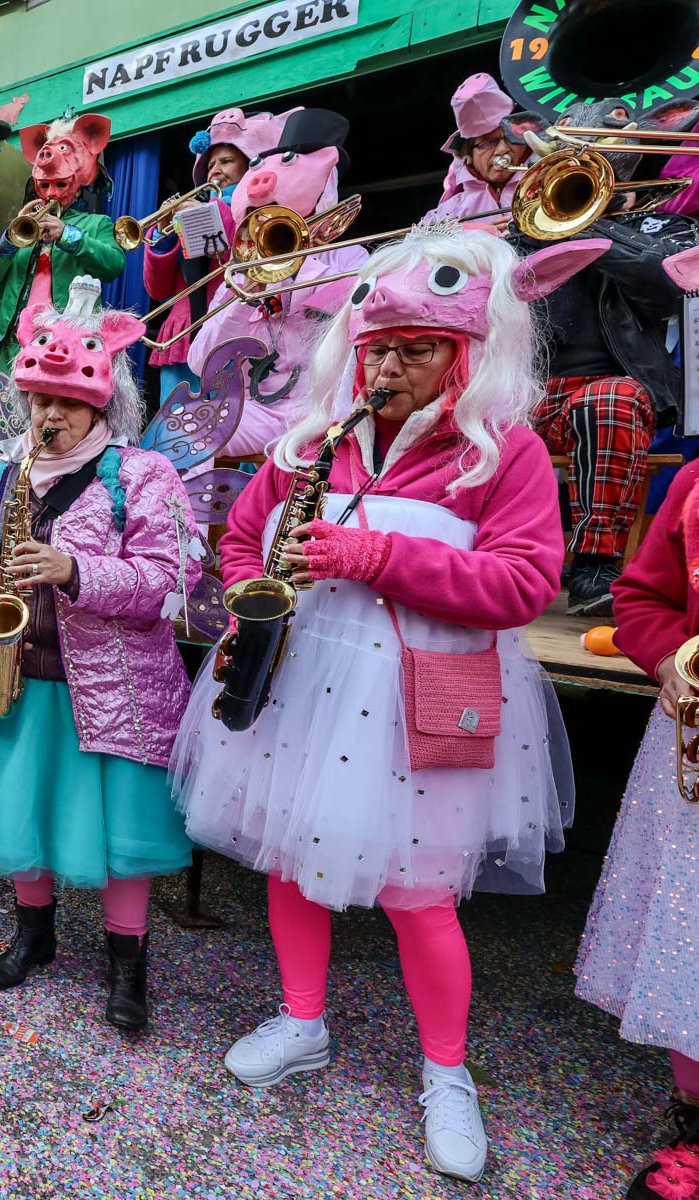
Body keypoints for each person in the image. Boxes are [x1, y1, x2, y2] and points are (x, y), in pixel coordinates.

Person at [171, 227, 592, 1183]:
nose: (390, 366)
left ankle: (448, 1074)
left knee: (420, 897)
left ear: (469, 353)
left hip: (417, 701)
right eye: (379, 347)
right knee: (286, 858)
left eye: (418, 348)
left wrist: (382, 557)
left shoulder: (504, 453)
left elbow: (525, 583)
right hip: (299, 685)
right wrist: (246, 595)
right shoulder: (309, 444)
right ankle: (303, 1017)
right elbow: (242, 540)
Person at [0, 280, 198, 1025]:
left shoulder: (143, 473)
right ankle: (35, 936)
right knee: (25, 817)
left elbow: (169, 579)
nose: (50, 416)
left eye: (67, 403)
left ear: (101, 405)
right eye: (39, 400)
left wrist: (75, 571)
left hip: (115, 688)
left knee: (120, 834)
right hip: (18, 678)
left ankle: (128, 966)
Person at [504, 99, 699, 616]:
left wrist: (586, 225)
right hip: (518, 395)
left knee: (614, 398)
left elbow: (668, 286)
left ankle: (594, 565)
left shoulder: (658, 227)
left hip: (602, 394)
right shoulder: (518, 230)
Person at [584, 449, 699, 1199]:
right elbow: (641, 598)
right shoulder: (696, 482)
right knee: (687, 936)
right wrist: (670, 663)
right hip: (693, 731)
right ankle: (696, 1121)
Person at [187, 107, 368, 457]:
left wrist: (299, 266)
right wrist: (243, 297)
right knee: (184, 432)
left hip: (321, 409)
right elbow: (199, 363)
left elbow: (357, 319)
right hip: (256, 410)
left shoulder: (349, 257)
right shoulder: (240, 275)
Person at [143, 109, 280, 402]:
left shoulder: (261, 211)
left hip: (232, 326)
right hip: (183, 333)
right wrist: (160, 236)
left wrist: (208, 215)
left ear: (249, 168)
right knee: (176, 426)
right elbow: (157, 289)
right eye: (211, 165)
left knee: (225, 428)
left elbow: (239, 255)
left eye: (227, 161)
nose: (216, 169)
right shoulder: (189, 210)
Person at [0, 112, 125, 374]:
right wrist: (11, 237)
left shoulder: (97, 224)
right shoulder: (24, 223)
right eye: (45, 185)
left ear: (77, 186)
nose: (52, 194)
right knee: (3, 414)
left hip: (65, 341)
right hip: (13, 341)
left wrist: (67, 235)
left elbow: (114, 265)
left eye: (60, 184)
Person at [422, 74, 532, 224]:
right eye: (488, 143)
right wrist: (476, 235)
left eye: (510, 137)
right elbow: (419, 242)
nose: (501, 150)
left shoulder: (553, 179)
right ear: (468, 156)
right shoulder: (445, 215)